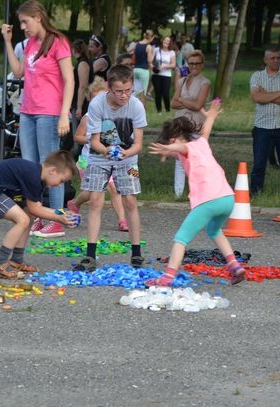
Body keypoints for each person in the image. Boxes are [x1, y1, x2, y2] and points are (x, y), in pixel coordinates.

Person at [145, 102, 246, 287]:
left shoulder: (186, 147)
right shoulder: (202, 142)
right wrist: (212, 115)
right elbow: (205, 131)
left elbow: (181, 148)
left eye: (169, 142)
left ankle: (167, 277)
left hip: (208, 201)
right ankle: (235, 266)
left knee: (180, 239)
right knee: (214, 230)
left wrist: (169, 149)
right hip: (227, 198)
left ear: (175, 139)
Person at [1, 0, 74, 238]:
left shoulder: (58, 42)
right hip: (28, 110)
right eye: (21, 22)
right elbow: (19, 72)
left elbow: (69, 80)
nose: (23, 26)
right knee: (31, 167)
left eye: (25, 21)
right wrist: (9, 42)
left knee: (50, 165)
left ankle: (58, 219)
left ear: (38, 18)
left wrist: (64, 114)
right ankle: (40, 216)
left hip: (49, 111)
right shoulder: (30, 43)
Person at [73, 64, 147, 271]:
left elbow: (139, 145)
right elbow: (94, 142)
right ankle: (90, 255)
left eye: (128, 91)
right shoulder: (97, 105)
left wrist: (124, 153)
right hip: (99, 157)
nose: (124, 96)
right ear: (109, 88)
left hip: (128, 159)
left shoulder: (136, 106)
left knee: (130, 201)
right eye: (119, 92)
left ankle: (136, 253)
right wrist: (108, 151)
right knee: (96, 200)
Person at [0, 152, 77, 279]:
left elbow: (36, 207)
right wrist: (59, 218)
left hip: (3, 191)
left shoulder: (39, 177)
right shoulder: (33, 176)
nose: (60, 185)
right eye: (62, 180)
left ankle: (16, 260)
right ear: (53, 171)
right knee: (23, 220)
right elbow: (35, 209)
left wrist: (63, 213)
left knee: (28, 218)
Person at [67, 76, 128, 232]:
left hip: (109, 159)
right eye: (95, 99)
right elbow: (77, 137)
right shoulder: (88, 119)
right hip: (89, 160)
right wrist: (91, 138)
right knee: (93, 192)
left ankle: (122, 220)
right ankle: (75, 203)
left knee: (114, 188)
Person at [249, 48, 280, 196]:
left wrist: (266, 95)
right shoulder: (256, 77)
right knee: (259, 164)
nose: (276, 61)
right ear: (265, 60)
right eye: (272, 58)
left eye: (278, 58)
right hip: (262, 127)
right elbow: (257, 98)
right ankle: (256, 193)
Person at [171, 50, 211, 198]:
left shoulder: (205, 82)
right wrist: (187, 103)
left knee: (197, 160)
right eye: (191, 63)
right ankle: (178, 193)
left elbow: (198, 105)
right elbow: (173, 103)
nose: (194, 66)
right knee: (179, 159)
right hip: (180, 125)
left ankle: (198, 192)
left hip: (196, 125)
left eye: (197, 63)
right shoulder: (180, 81)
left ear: (202, 65)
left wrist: (181, 100)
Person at [151, 36, 176, 114]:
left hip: (166, 75)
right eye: (165, 40)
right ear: (162, 41)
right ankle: (159, 111)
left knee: (165, 93)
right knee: (157, 93)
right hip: (156, 74)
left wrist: (164, 66)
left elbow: (173, 65)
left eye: (168, 41)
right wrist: (153, 67)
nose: (166, 42)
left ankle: (167, 109)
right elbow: (150, 61)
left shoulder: (172, 52)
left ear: (170, 43)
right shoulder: (156, 50)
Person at [71, 39, 92, 124]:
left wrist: (79, 107)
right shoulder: (82, 62)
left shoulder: (83, 63)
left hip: (81, 103)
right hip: (79, 101)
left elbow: (83, 86)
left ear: (74, 49)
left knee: (78, 133)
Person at [132, 29, 154, 105]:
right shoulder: (148, 46)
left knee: (135, 91)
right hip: (144, 70)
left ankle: (133, 107)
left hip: (135, 69)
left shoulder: (137, 44)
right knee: (143, 92)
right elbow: (149, 60)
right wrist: (152, 53)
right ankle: (141, 110)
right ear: (151, 37)